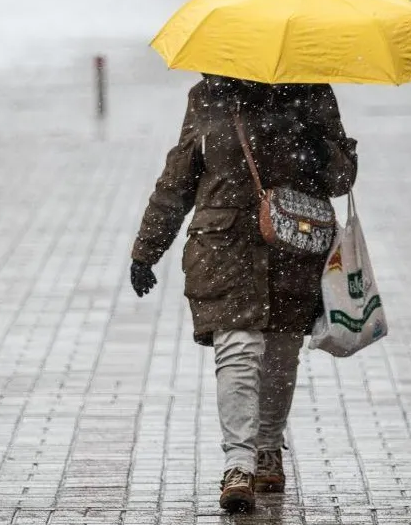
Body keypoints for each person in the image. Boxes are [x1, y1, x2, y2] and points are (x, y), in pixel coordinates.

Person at [130, 75, 358, 514]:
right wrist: (147, 251)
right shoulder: (209, 96)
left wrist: (316, 146)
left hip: (292, 249)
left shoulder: (312, 93)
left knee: (280, 354)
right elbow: (178, 180)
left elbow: (342, 176)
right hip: (224, 246)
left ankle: (269, 446)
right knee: (236, 350)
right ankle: (239, 464)